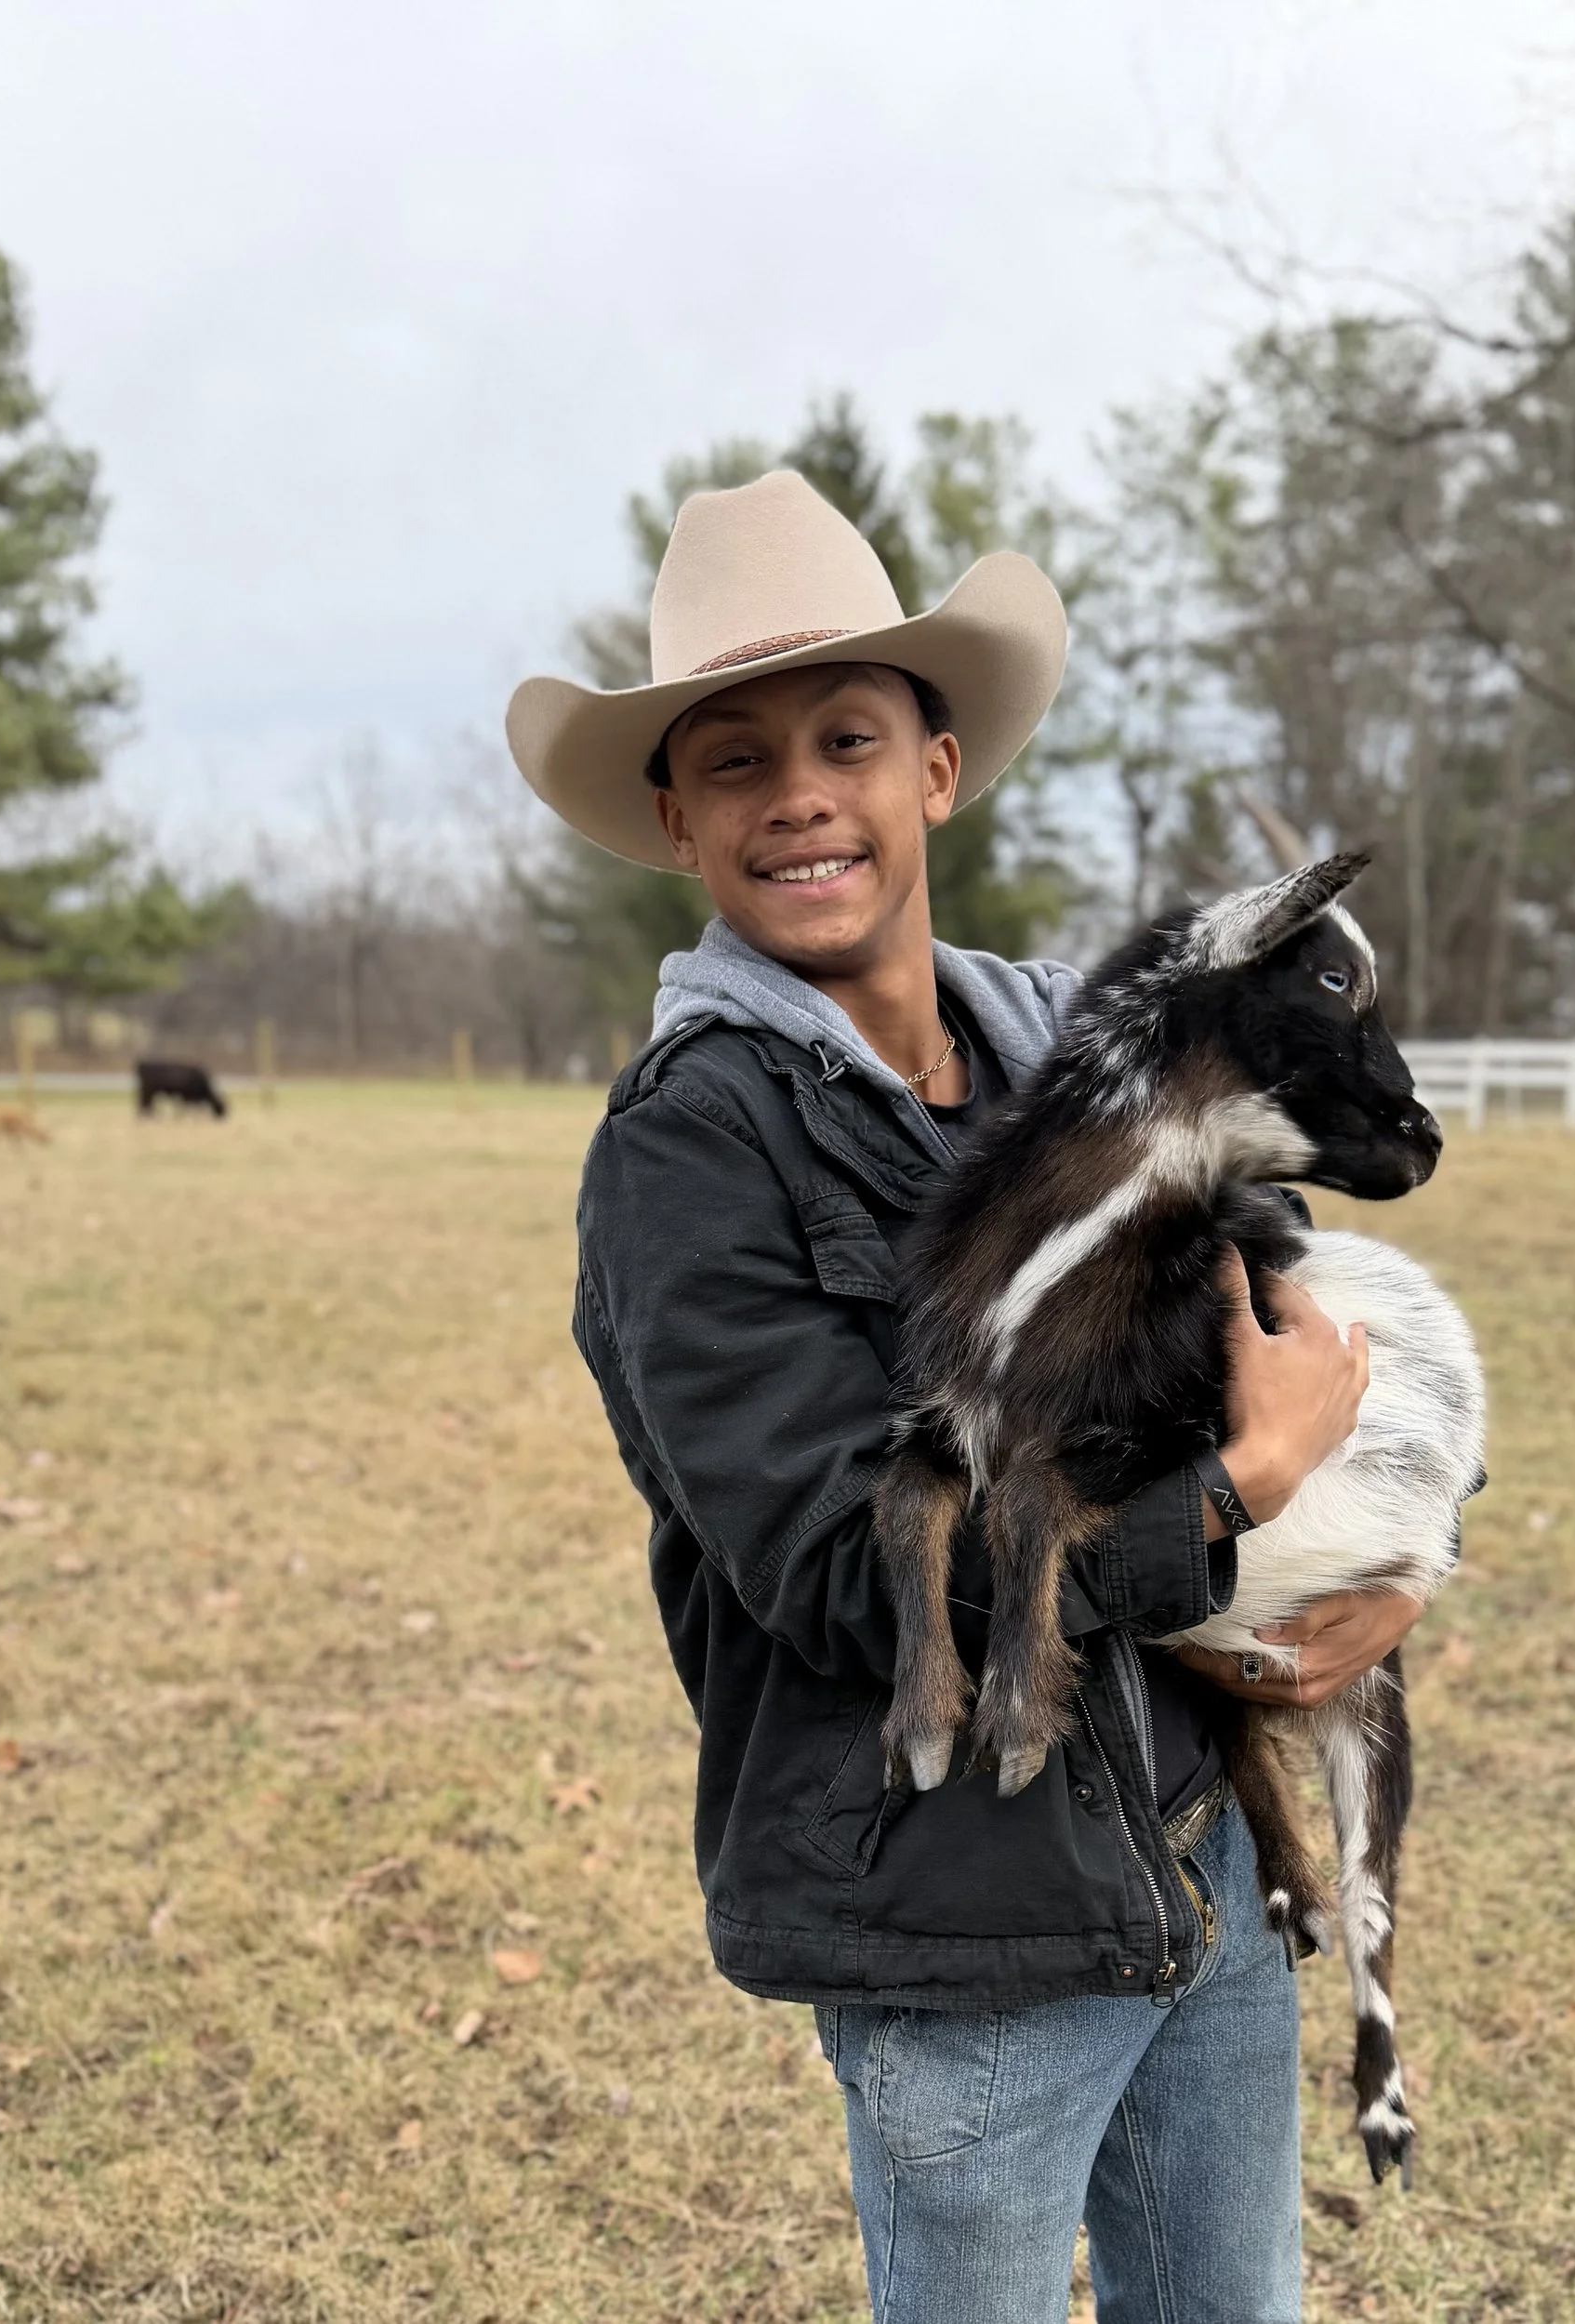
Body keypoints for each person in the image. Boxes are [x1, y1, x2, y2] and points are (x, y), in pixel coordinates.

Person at [508, 471, 1423, 2322]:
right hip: (962, 1939)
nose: (799, 797)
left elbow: (1303, 1336)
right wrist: (1231, 1494)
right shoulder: (692, 1147)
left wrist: (1362, 1574)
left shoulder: (1084, 1063)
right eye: (738, 758)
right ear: (676, 815)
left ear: (932, 768)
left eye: (846, 734)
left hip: (1204, 1865)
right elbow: (846, 1567)